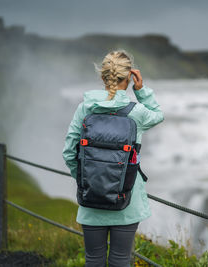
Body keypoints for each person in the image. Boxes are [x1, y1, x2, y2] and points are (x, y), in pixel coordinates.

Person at [62, 50, 164, 267]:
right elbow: (158, 114)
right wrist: (141, 90)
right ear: (129, 78)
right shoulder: (137, 113)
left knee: (93, 261)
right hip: (126, 202)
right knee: (120, 261)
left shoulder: (84, 109)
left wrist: (87, 179)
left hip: (91, 199)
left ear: (103, 77)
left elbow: (69, 153)